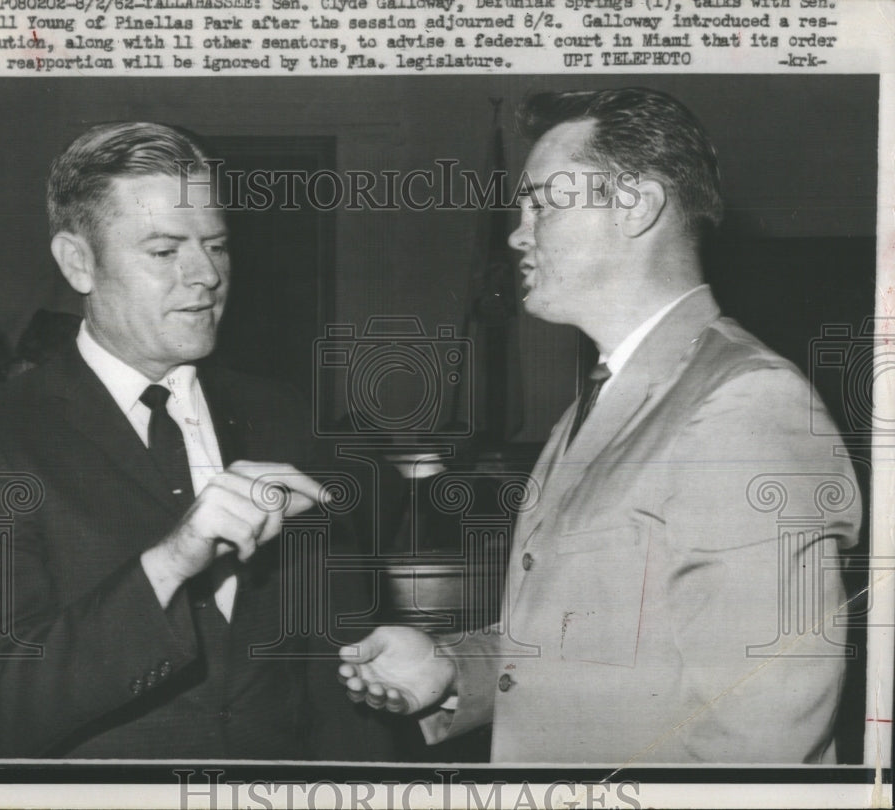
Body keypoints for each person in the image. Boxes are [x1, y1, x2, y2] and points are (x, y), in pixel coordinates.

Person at [338, 88, 861, 764]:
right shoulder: (601, 401)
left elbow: (763, 730)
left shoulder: (746, 404)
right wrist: (452, 667)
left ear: (636, 206)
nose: (517, 233)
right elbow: (592, 643)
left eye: (542, 204)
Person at [0, 122, 392, 759]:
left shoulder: (281, 415)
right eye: (166, 250)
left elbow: (336, 673)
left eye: (216, 245)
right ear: (78, 262)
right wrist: (169, 565)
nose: (206, 275)